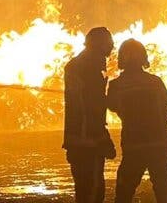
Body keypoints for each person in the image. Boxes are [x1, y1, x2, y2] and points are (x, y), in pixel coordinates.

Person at [106, 39, 167, 203]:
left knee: (124, 193)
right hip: (160, 145)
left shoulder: (117, 85)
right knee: (163, 192)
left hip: (134, 148)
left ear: (121, 59)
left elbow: (112, 106)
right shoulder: (155, 82)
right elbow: (166, 110)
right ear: (143, 58)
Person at [63, 26, 116, 203]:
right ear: (99, 45)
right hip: (88, 143)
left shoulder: (77, 66)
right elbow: (90, 109)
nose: (111, 49)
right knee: (93, 193)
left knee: (84, 191)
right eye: (109, 45)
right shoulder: (90, 70)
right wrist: (102, 138)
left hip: (76, 141)